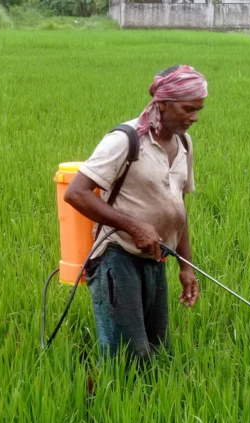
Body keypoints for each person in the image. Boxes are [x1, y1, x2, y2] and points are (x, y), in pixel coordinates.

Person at [63, 64, 207, 366]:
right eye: (188, 108)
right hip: (117, 258)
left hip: (155, 257)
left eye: (199, 110)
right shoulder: (126, 140)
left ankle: (144, 409)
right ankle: (106, 407)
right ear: (164, 103)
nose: (194, 117)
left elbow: (178, 208)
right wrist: (133, 225)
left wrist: (186, 266)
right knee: (127, 358)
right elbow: (76, 193)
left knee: (157, 350)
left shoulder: (183, 143)